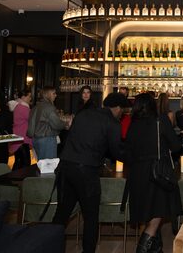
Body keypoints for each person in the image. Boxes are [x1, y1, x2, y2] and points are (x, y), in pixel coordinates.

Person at [52, 92, 126, 253]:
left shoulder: (84, 114)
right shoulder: (112, 123)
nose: (122, 114)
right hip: (86, 171)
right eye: (123, 110)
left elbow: (71, 138)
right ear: (118, 108)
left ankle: (49, 248)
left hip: (65, 166)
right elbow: (117, 152)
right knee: (91, 216)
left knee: (61, 213)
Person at [123, 93, 182, 253]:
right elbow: (176, 146)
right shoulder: (161, 120)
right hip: (157, 174)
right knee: (157, 215)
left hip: (137, 174)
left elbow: (127, 151)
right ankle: (141, 249)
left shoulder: (133, 124)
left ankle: (156, 249)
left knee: (148, 212)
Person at [29, 86, 68, 160]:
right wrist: (66, 123)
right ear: (47, 94)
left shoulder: (36, 107)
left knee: (41, 164)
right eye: (54, 93)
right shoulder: (49, 107)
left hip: (36, 139)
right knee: (49, 165)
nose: (56, 95)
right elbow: (57, 124)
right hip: (47, 140)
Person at [11, 89, 33, 170]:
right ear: (23, 97)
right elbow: (33, 119)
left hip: (18, 136)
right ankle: (19, 177)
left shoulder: (18, 106)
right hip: (22, 138)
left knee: (19, 161)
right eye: (29, 96)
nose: (30, 98)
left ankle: (13, 176)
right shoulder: (23, 108)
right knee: (25, 163)